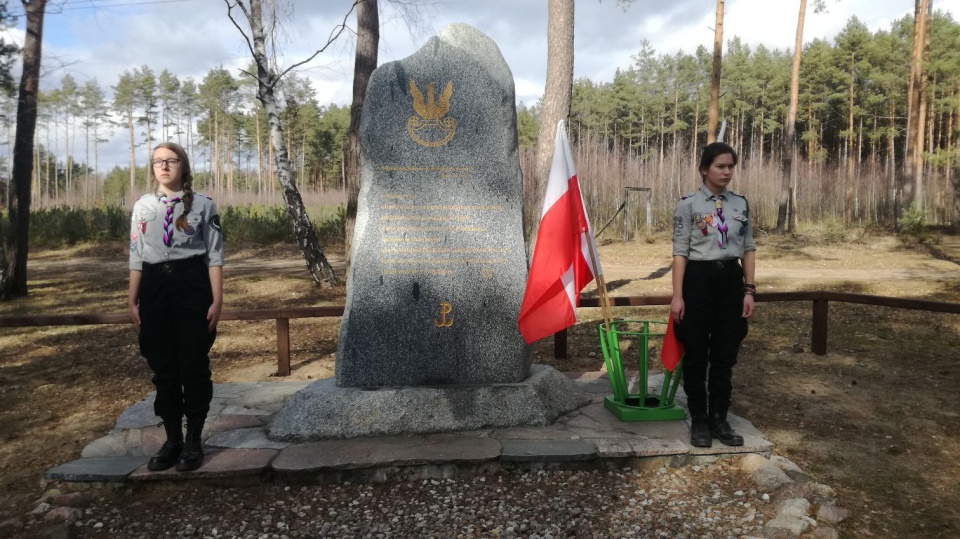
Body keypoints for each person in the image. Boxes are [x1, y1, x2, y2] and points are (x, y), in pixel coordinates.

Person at [128, 142, 224, 472]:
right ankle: (172, 440)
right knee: (164, 367)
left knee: (193, 363)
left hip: (191, 286)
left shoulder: (203, 206)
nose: (164, 167)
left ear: (183, 166)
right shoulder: (142, 207)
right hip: (155, 288)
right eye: (158, 162)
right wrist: (133, 298)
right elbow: (136, 255)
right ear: (152, 168)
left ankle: (194, 439)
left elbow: (214, 256)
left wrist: (217, 300)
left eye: (171, 161)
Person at [670, 142, 755, 448]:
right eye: (720, 166)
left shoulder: (740, 204)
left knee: (724, 355)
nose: (726, 172)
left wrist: (749, 289)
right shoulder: (688, 205)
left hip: (730, 280)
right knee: (695, 354)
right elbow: (680, 252)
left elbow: (748, 248)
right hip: (698, 280)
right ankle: (700, 421)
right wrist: (678, 296)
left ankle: (720, 419)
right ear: (705, 169)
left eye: (731, 166)